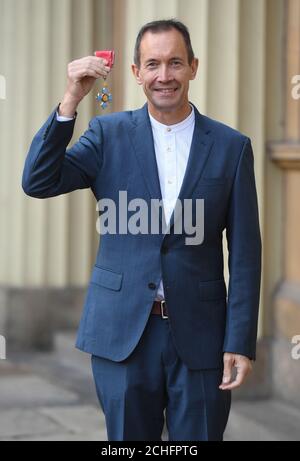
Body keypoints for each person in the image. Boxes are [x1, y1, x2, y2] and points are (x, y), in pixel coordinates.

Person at [22, 19, 261, 441]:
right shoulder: (106, 134)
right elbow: (39, 180)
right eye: (152, 64)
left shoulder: (231, 146)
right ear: (136, 72)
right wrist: (71, 100)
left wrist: (239, 340)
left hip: (202, 339)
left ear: (193, 67)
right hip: (123, 336)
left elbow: (244, 254)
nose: (164, 76)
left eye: (174, 63)